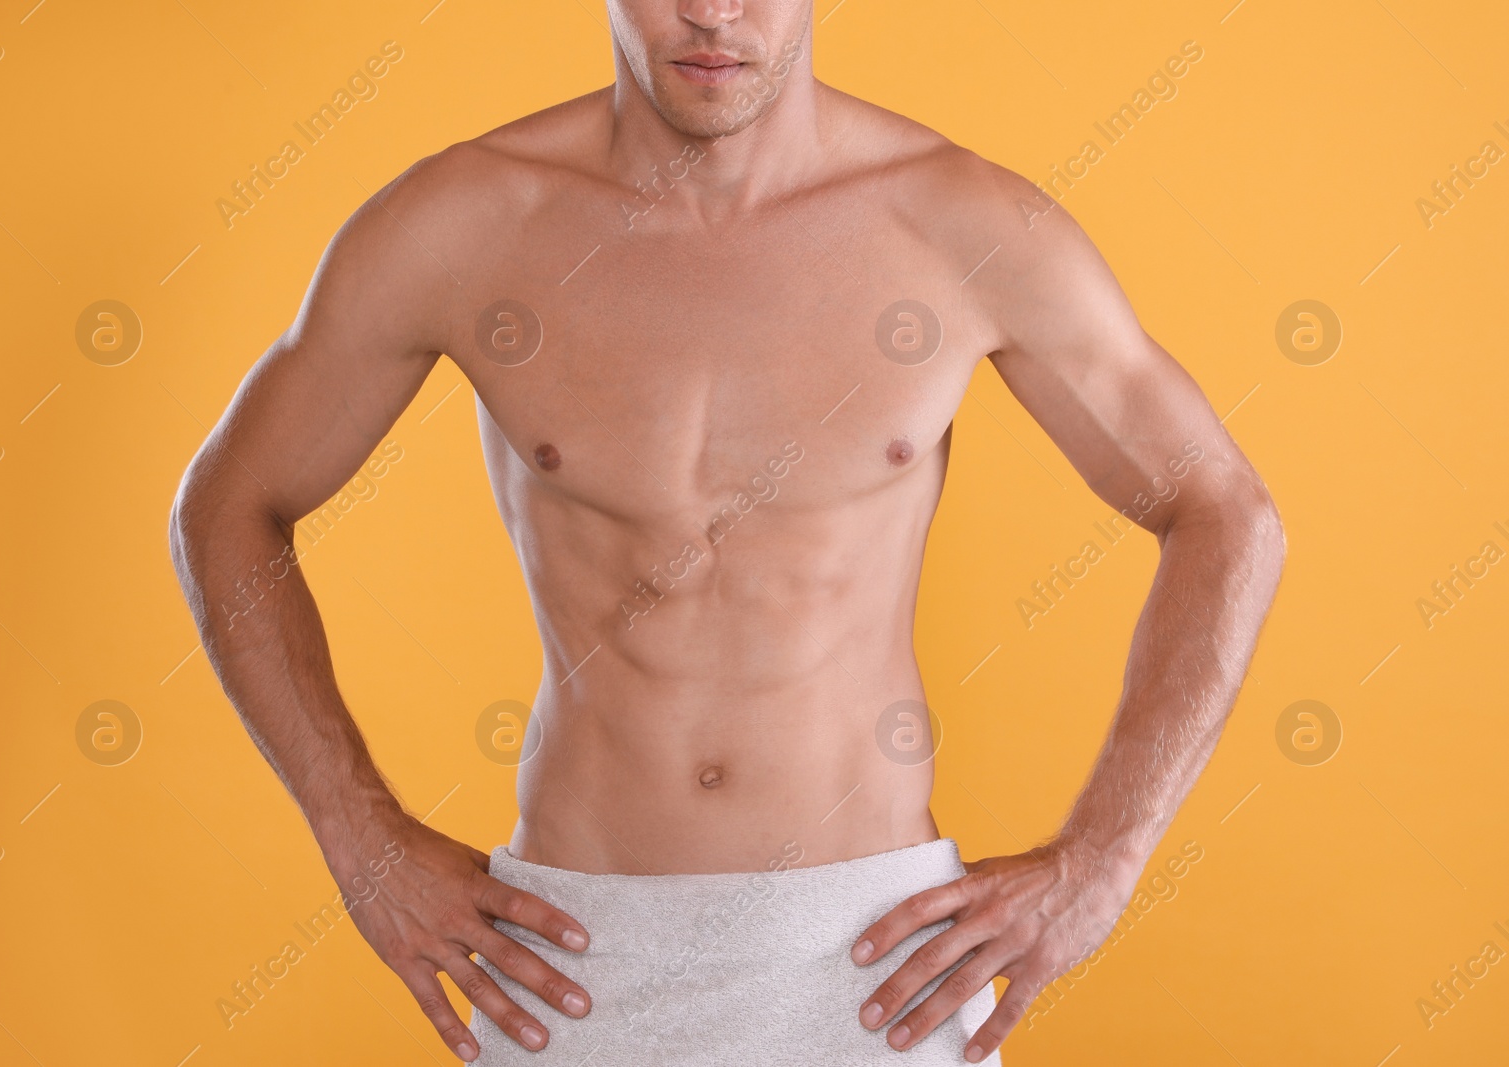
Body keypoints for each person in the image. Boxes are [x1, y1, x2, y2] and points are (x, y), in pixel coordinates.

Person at [168, 1, 1285, 1062]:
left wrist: (1102, 858)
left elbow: (1223, 511)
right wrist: (360, 840)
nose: (711, 11)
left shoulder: (959, 226)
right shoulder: (469, 221)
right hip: (569, 957)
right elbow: (227, 508)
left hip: (876, 965)